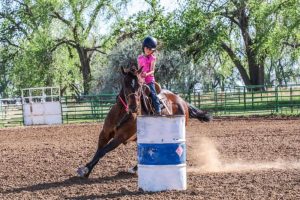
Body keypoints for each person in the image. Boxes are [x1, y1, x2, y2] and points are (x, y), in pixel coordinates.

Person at [138, 36, 161, 115]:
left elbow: (152, 71)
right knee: (134, 93)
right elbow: (139, 69)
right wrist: (139, 75)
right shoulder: (139, 58)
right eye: (147, 48)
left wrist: (146, 74)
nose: (148, 50)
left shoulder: (153, 58)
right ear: (143, 47)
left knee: (153, 94)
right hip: (142, 81)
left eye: (150, 49)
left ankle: (158, 110)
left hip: (149, 80)